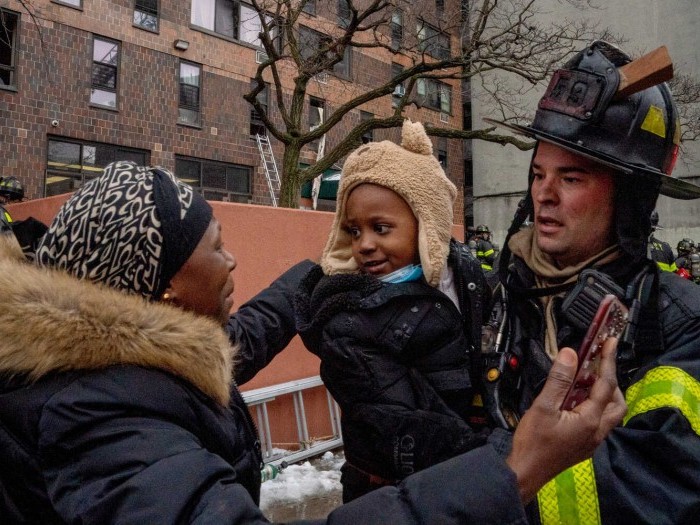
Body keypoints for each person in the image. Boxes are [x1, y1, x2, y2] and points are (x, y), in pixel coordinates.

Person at [0, 159, 627, 524]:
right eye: (216, 245)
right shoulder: (102, 426)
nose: (232, 260)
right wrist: (511, 468)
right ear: (165, 289)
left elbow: (237, 343)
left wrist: (309, 277)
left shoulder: (118, 365)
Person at [483, 40, 700, 523]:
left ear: (630, 198)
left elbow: (657, 492)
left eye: (572, 177)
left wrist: (487, 478)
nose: (544, 194)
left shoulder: (682, 327)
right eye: (538, 174)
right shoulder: (498, 295)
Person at [295, 120, 491, 502]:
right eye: (353, 230)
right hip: (392, 491)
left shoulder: (462, 276)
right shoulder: (348, 321)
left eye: (380, 228)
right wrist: (497, 456)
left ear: (426, 225)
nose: (364, 244)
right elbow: (407, 421)